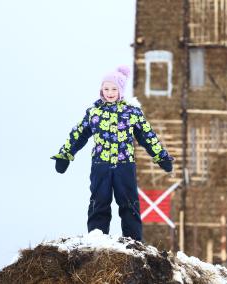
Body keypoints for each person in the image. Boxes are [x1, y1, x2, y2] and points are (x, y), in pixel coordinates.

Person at [51, 66, 173, 241]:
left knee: (129, 203)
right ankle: (97, 238)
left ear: (120, 91)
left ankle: (134, 240)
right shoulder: (94, 113)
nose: (109, 93)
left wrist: (161, 157)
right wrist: (65, 155)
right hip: (101, 165)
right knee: (99, 202)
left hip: (125, 166)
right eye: (106, 88)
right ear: (101, 89)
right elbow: (77, 135)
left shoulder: (131, 113)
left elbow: (148, 136)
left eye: (114, 89)